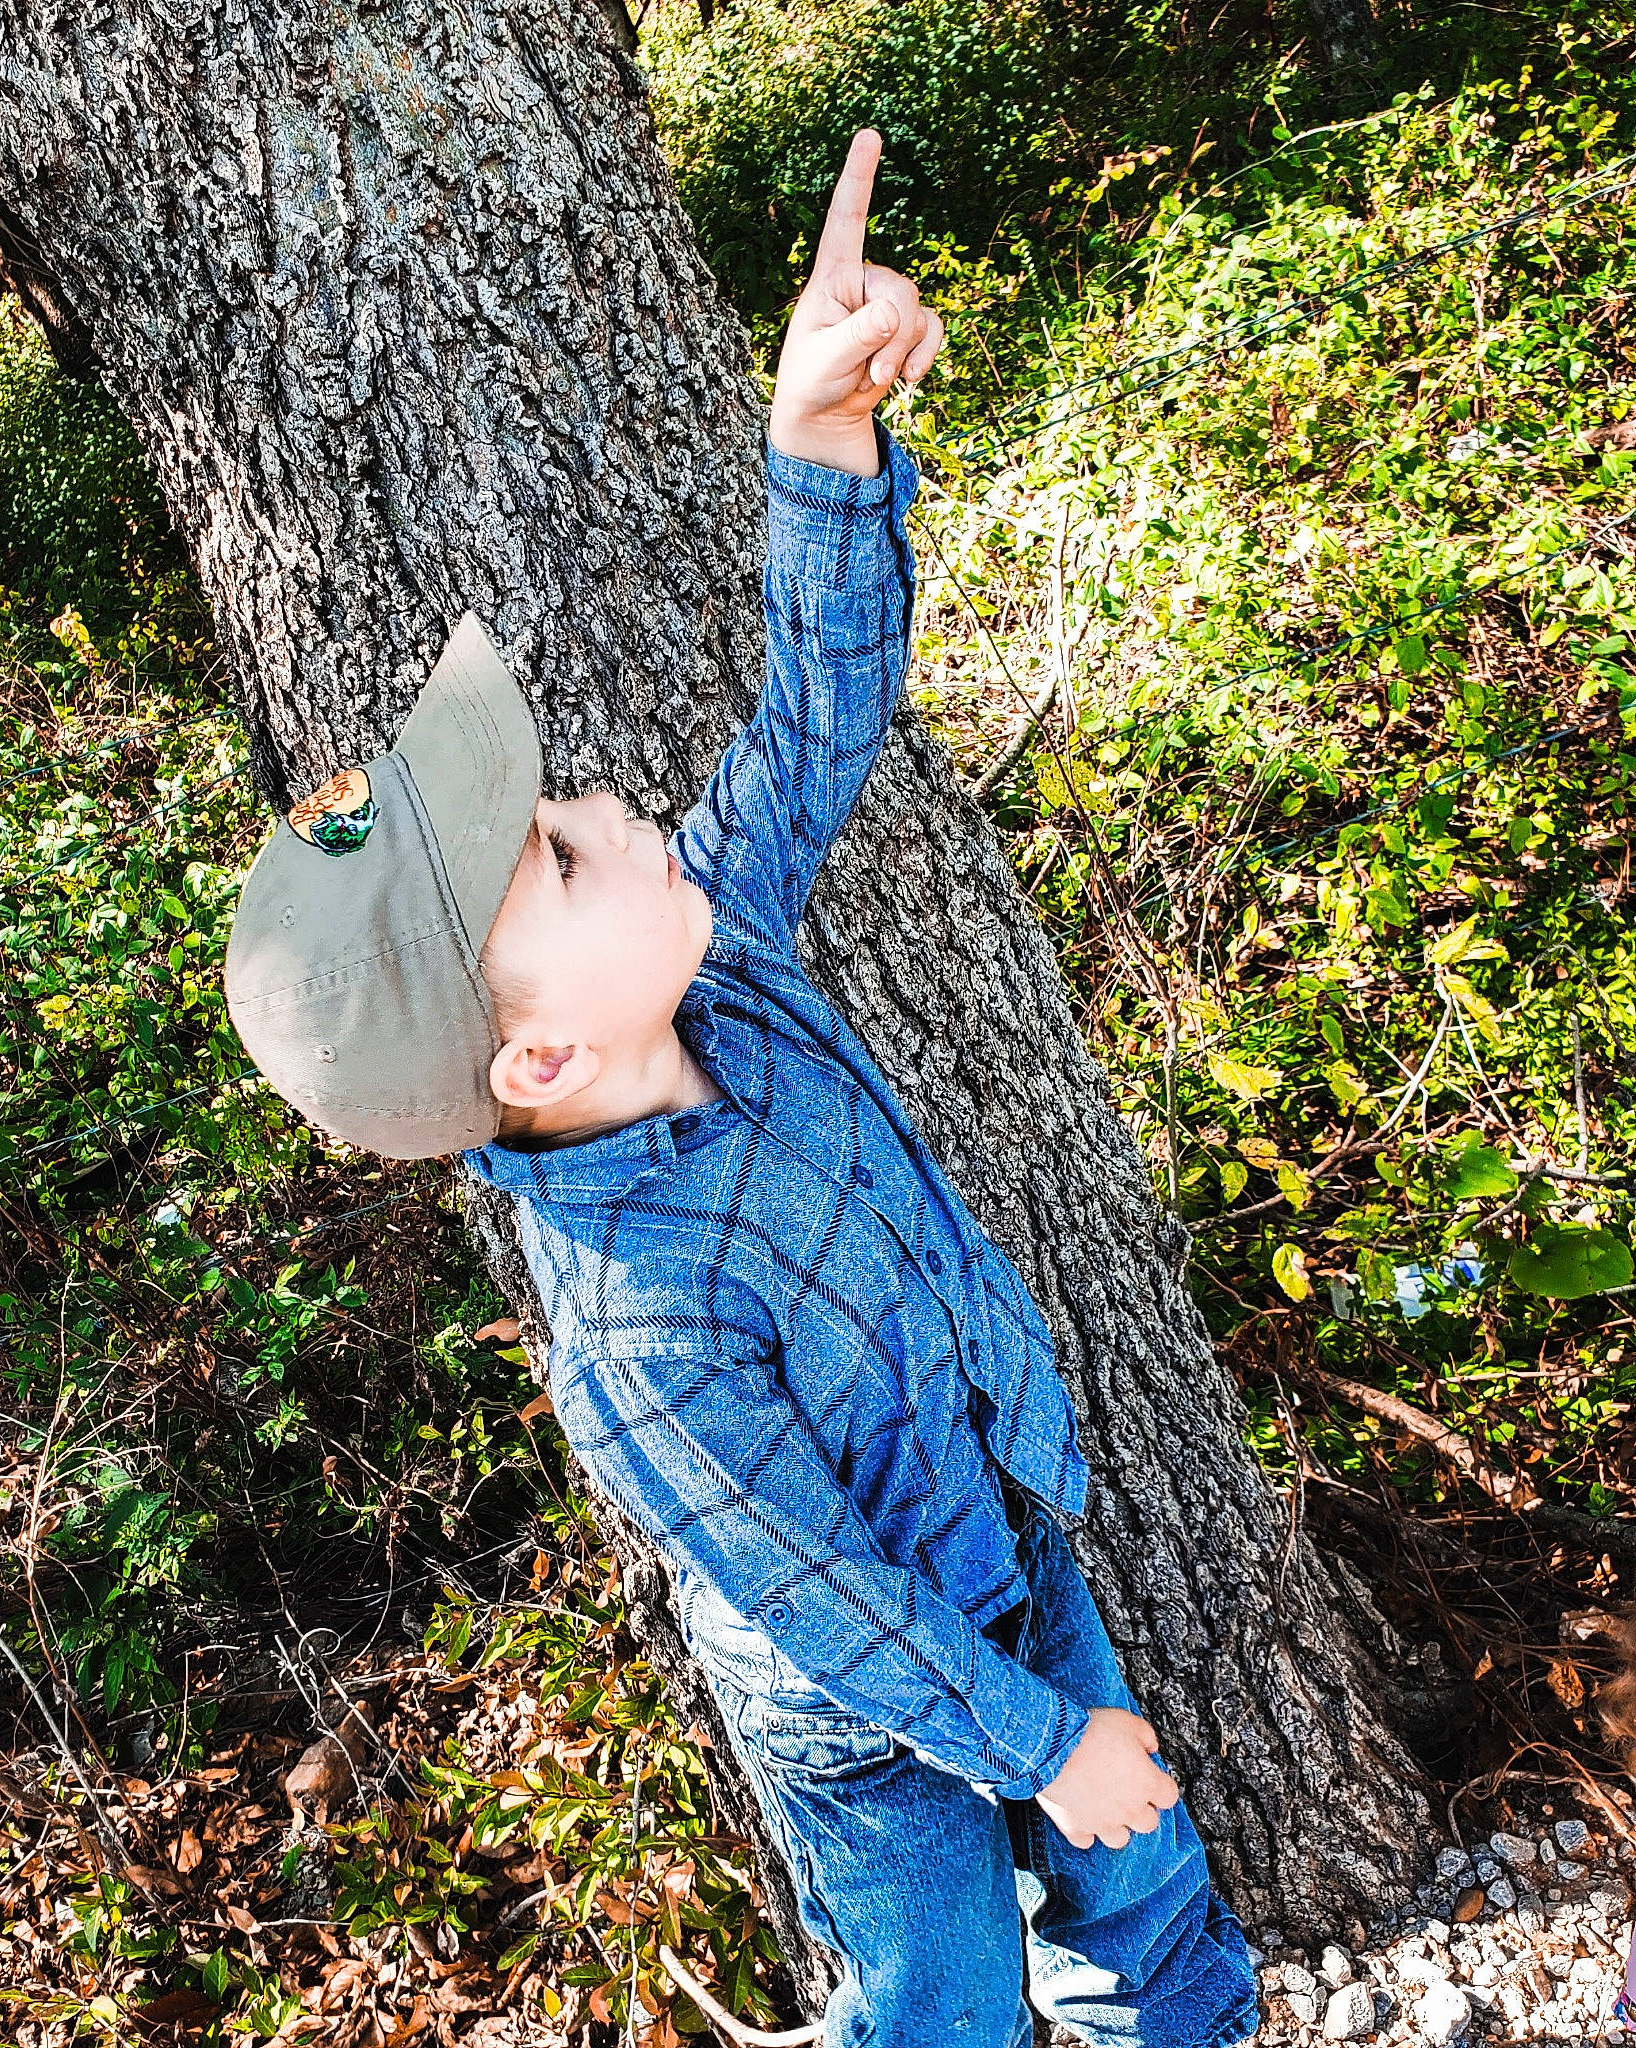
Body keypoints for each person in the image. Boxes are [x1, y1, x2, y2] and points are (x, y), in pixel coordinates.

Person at [224, 129, 1258, 2048]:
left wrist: (821, 449)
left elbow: (818, 712)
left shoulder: (733, 957)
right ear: (537, 1056)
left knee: (1152, 1909)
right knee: (938, 1994)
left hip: (1002, 1531)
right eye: (563, 850)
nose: (617, 809)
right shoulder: (638, 1322)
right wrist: (1037, 1744)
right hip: (862, 1720)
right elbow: (809, 1587)